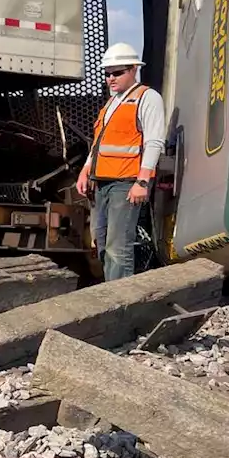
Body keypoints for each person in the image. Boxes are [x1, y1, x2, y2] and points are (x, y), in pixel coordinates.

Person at [75, 42, 166, 281]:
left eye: (117, 73)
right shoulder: (111, 104)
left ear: (133, 69)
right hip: (101, 183)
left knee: (119, 245)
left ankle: (119, 299)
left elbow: (154, 142)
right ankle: (110, 292)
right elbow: (98, 143)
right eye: (107, 74)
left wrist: (142, 182)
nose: (110, 79)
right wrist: (86, 170)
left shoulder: (147, 98)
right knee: (102, 242)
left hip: (125, 184)